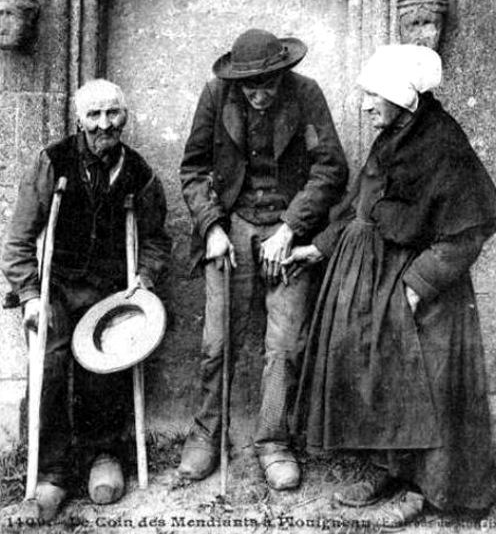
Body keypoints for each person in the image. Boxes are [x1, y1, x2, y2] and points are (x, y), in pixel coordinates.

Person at [284, 44, 496, 528]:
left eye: (373, 95)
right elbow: (358, 204)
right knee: (384, 377)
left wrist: (416, 286)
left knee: (431, 382)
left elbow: (469, 232)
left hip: (425, 288)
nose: (365, 105)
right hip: (379, 276)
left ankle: (430, 490)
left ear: (402, 96)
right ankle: (389, 470)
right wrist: (318, 248)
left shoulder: (443, 144)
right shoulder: (393, 136)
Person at [178, 28, 348, 490]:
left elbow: (331, 168)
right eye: (251, 85)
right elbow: (193, 169)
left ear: (283, 73)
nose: (259, 93)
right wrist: (212, 226)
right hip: (232, 226)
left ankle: (273, 441)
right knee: (217, 340)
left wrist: (291, 227)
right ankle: (206, 435)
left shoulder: (307, 94)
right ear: (236, 81)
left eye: (269, 83)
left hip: (288, 231)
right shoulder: (216, 96)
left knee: (286, 344)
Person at [1, 79, 170, 521]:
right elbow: (19, 239)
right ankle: (53, 474)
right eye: (93, 115)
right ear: (79, 120)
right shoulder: (52, 163)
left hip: (108, 290)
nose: (103, 124)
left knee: (106, 364)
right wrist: (30, 294)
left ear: (125, 118)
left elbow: (154, 239)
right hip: (55, 288)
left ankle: (104, 456)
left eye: (112, 114)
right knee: (51, 365)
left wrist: (145, 280)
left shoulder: (139, 173)